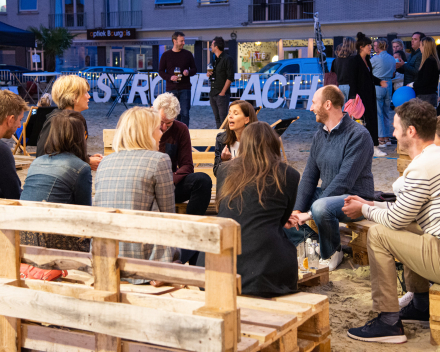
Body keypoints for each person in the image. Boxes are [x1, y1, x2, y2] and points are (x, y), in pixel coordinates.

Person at [342, 98, 440, 344]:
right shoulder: (434, 157)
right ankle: (420, 305)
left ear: (411, 131)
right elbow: (406, 212)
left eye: (396, 128)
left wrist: (363, 209)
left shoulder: (422, 167)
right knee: (409, 226)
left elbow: (395, 220)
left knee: (379, 234)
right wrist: (372, 204)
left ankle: (388, 322)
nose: (393, 133)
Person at [198, 121, 300, 298]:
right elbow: (283, 218)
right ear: (274, 143)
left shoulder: (225, 170)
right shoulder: (288, 174)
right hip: (261, 271)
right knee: (286, 242)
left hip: (216, 265)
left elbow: (224, 208)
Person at [283, 85, 374, 271]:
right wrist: (297, 209)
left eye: (314, 103)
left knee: (320, 207)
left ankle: (332, 251)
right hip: (327, 195)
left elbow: (344, 181)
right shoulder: (320, 135)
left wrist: (308, 214)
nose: (311, 108)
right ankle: (312, 240)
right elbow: (309, 176)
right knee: (281, 200)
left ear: (327, 104)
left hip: (354, 197)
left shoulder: (359, 135)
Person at [94, 107, 179, 284]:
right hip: (143, 260)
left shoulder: (105, 162)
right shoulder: (159, 160)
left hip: (106, 257)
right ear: (146, 132)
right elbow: (168, 214)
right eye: (158, 129)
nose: (161, 134)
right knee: (195, 252)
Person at [20, 111, 92, 252]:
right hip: (52, 242)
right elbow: (85, 215)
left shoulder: (37, 162)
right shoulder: (81, 167)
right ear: (79, 137)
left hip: (24, 237)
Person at [153, 93, 212, 265]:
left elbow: (187, 165)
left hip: (170, 184)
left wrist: (170, 179)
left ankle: (191, 235)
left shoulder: (180, 129)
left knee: (202, 180)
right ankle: (188, 256)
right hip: (146, 184)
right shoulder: (143, 125)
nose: (163, 127)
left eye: (168, 123)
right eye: (161, 122)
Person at [36, 75, 103, 171]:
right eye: (85, 93)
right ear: (74, 97)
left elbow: (69, 152)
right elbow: (45, 158)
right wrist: (86, 161)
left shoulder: (77, 119)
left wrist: (87, 157)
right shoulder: (56, 121)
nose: (89, 96)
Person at [347, 32, 388, 157]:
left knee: (371, 120)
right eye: (368, 45)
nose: (371, 47)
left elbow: (369, 77)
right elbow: (352, 79)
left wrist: (379, 81)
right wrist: (353, 96)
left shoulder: (367, 60)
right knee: (361, 122)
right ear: (361, 47)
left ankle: (373, 146)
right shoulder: (355, 61)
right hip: (360, 96)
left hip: (369, 95)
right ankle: (365, 147)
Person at [158, 31, 197, 127]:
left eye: (184, 41)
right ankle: (174, 137)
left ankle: (184, 135)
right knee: (172, 115)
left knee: (185, 113)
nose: (184, 43)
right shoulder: (166, 55)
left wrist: (188, 72)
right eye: (181, 41)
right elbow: (161, 71)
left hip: (185, 88)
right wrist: (170, 77)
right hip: (171, 89)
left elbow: (194, 69)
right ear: (174, 41)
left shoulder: (188, 54)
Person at [213, 100, 258, 176]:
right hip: (230, 185)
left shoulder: (257, 140)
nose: (230, 116)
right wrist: (224, 161)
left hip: (252, 184)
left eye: (235, 113)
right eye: (229, 113)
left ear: (247, 120)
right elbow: (217, 174)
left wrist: (242, 164)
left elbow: (264, 170)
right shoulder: (222, 139)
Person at [0, 90, 29, 200]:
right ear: (10, 119)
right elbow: (14, 195)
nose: (19, 126)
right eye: (20, 120)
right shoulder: (2, 151)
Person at [371, 38, 396, 148]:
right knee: (386, 112)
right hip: (389, 84)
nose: (374, 47)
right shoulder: (391, 58)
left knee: (378, 112)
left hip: (378, 84)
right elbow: (394, 73)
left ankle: (381, 138)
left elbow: (368, 70)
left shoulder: (375, 58)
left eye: (375, 45)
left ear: (379, 46)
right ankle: (387, 138)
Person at [207, 37, 235, 129]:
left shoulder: (227, 59)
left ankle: (225, 140)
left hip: (221, 94)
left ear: (216, 46)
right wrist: (209, 74)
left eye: (212, 44)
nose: (211, 46)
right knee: (217, 119)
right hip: (213, 93)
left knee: (223, 119)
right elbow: (216, 75)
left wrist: (222, 93)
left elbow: (230, 77)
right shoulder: (214, 59)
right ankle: (220, 140)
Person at [412, 36, 440, 108]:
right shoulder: (433, 60)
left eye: (420, 45)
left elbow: (425, 80)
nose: (419, 48)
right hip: (429, 95)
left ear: (425, 47)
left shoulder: (429, 61)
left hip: (425, 96)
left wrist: (412, 85)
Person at [330, 37, 356, 103]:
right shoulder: (354, 58)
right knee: (353, 109)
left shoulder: (337, 60)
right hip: (352, 86)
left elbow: (334, 71)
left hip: (340, 85)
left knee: (343, 109)